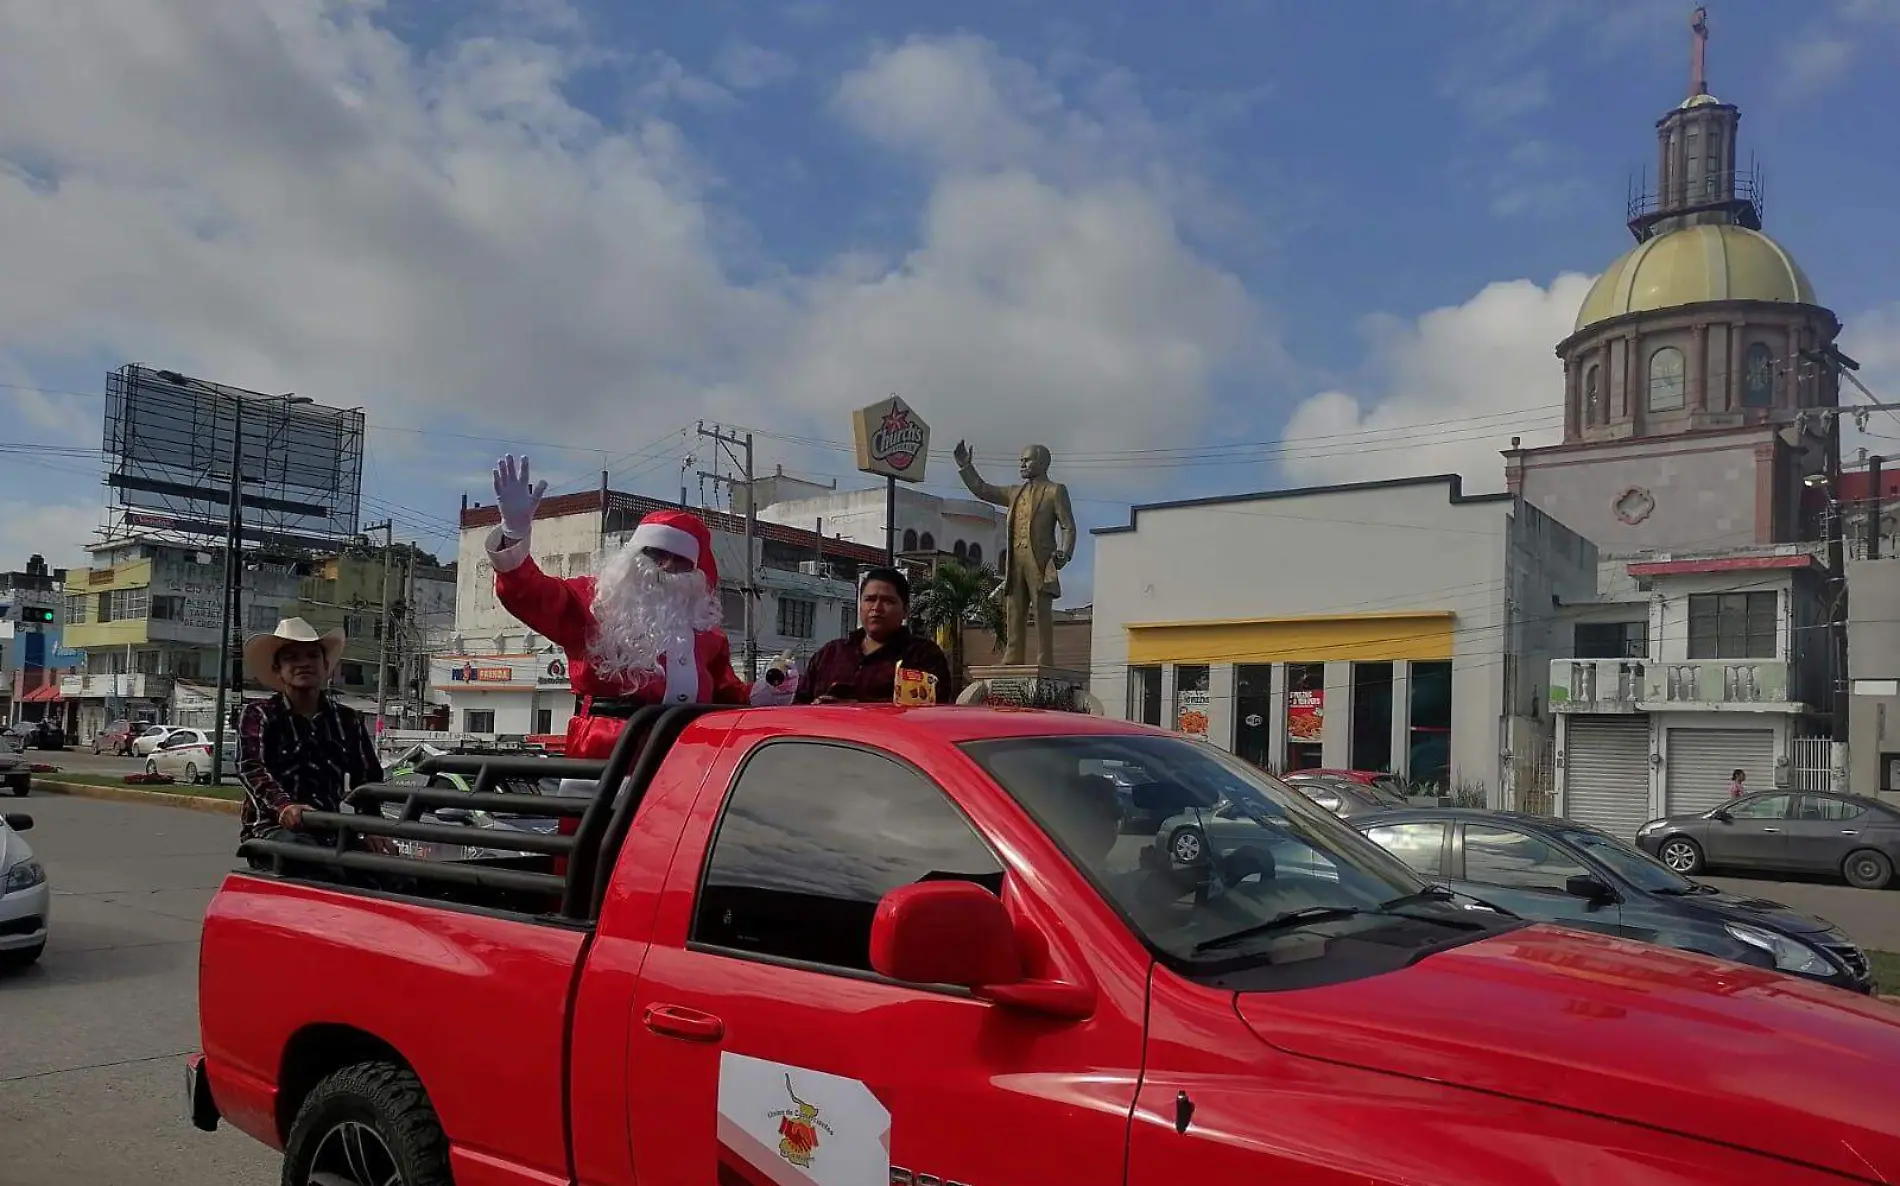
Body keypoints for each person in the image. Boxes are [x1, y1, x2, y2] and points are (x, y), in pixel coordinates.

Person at [486, 454, 789, 770]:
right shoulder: (594, 601)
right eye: (656, 553)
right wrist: (514, 533)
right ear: (633, 555)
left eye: (679, 559)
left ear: (697, 571)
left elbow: (724, 696)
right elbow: (529, 594)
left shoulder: (706, 630)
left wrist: (764, 691)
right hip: (606, 755)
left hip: (684, 758)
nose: (665, 566)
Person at [235, 618, 384, 861]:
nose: (304, 663)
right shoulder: (259, 714)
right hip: (272, 832)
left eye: (312, 656)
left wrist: (372, 827)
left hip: (330, 831)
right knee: (311, 859)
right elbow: (251, 767)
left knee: (394, 876)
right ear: (277, 669)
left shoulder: (348, 719)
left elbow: (367, 778)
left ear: (326, 665)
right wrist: (284, 806)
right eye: (292, 657)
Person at [785, 567, 951, 705]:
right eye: (870, 599)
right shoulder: (830, 653)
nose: (876, 608)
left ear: (906, 611)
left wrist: (855, 709)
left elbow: (931, 711)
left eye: (888, 601)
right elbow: (800, 705)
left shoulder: (924, 656)